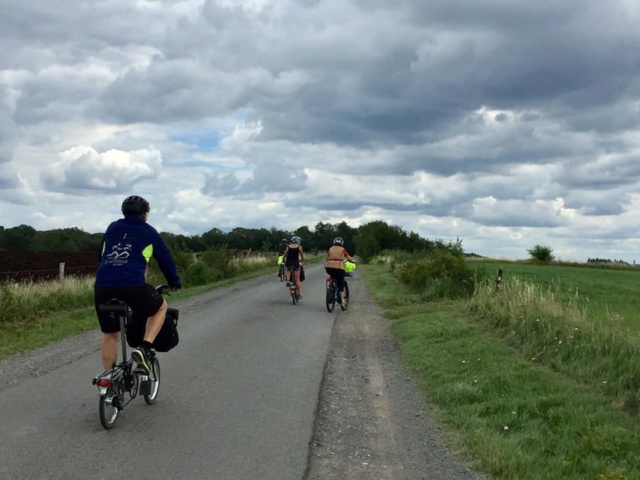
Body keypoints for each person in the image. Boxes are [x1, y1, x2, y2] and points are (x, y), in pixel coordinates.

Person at [94, 195, 181, 375]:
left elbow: (101, 255)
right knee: (160, 307)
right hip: (132, 285)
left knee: (110, 333)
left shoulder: (112, 228)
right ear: (144, 214)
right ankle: (145, 347)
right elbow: (164, 259)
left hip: (103, 286)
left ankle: (109, 380)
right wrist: (174, 282)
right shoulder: (148, 231)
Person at [325, 236, 355, 310]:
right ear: (341, 243)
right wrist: (353, 261)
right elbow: (348, 257)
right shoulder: (342, 249)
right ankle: (342, 301)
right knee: (340, 283)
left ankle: (331, 288)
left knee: (333, 277)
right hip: (339, 267)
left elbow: (326, 258)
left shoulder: (330, 249)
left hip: (329, 268)